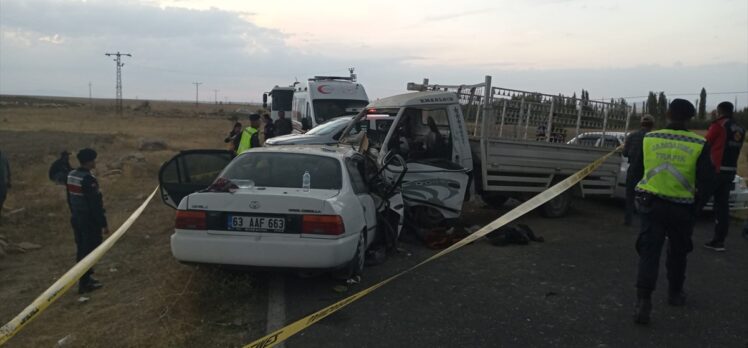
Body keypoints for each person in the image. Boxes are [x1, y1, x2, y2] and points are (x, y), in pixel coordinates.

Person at [631, 99, 715, 325]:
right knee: (678, 253)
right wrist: (697, 206)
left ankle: (643, 302)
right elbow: (707, 181)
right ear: (690, 117)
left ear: (667, 113)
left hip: (651, 205)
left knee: (649, 253)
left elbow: (636, 169)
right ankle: (675, 293)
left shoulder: (650, 138)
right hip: (682, 208)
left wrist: (634, 200)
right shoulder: (699, 143)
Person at [67, 148, 109, 294]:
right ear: (89, 161)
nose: (95, 162)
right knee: (89, 251)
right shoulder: (88, 179)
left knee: (81, 249)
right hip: (89, 221)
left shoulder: (72, 175)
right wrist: (103, 224)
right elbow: (95, 205)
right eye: (94, 160)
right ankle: (84, 283)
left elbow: (70, 198)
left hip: (76, 218)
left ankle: (86, 278)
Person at [704, 102, 744, 252]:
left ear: (719, 112)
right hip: (730, 171)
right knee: (722, 207)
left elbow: (707, 143)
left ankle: (679, 234)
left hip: (715, 170)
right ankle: (719, 242)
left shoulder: (719, 125)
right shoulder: (740, 128)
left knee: (697, 201)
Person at [623, 115, 655, 226]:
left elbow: (625, 153)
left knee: (630, 196)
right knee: (647, 197)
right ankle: (644, 221)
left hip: (633, 169)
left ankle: (628, 220)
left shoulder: (632, 136)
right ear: (652, 125)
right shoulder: (654, 137)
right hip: (648, 171)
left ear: (641, 124)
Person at [0, 150, 10, 224]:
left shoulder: (3, 156)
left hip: (3, 183)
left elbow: (7, 168)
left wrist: (9, 180)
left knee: (3, 197)